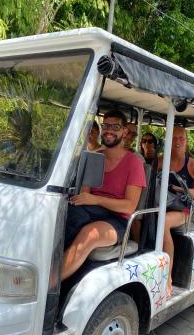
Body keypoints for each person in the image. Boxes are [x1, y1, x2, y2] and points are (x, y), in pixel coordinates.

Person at [62, 110, 146, 280]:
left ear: (124, 132)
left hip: (119, 221)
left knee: (89, 235)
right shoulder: (95, 158)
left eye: (115, 127)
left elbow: (129, 206)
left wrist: (96, 200)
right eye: (106, 125)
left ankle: (49, 287)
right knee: (62, 215)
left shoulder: (134, 163)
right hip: (93, 212)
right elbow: (85, 194)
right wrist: (89, 200)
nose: (109, 130)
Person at [158, 126, 194, 297]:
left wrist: (178, 188)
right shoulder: (161, 160)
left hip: (185, 209)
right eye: (174, 137)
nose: (177, 141)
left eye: (181, 138)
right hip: (162, 204)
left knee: (163, 222)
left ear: (186, 141)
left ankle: (168, 277)